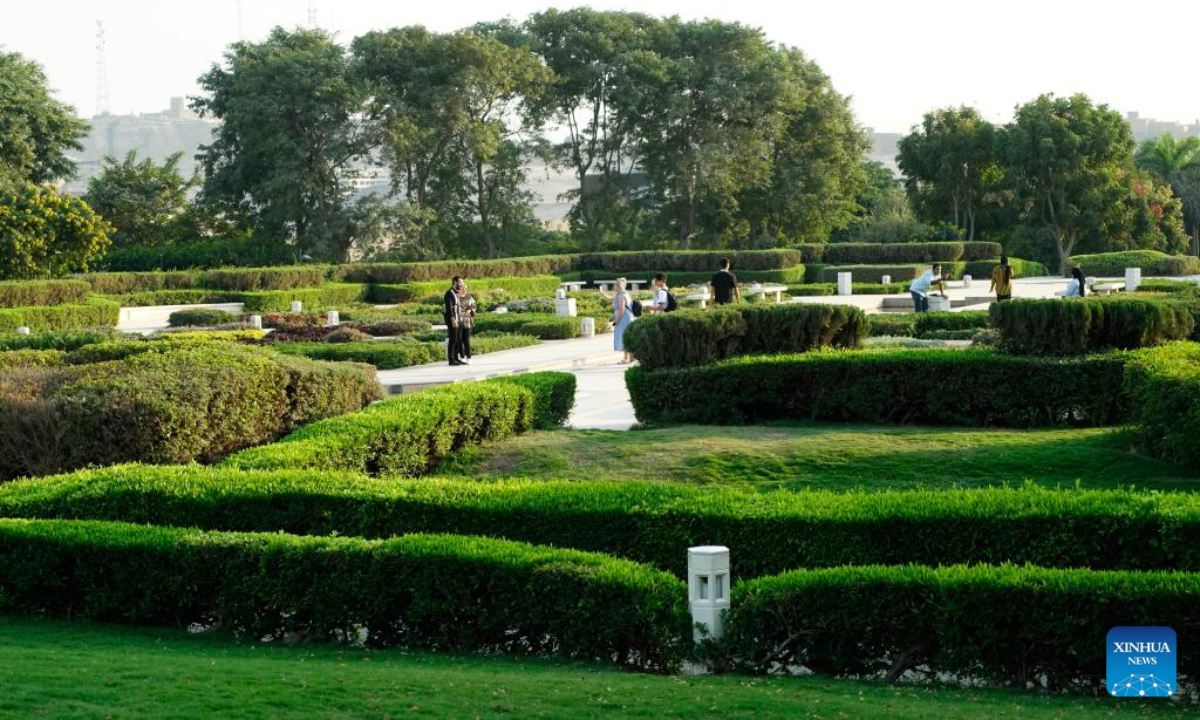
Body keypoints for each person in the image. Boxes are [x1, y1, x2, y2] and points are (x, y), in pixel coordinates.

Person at [601, 277, 636, 364]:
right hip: (627, 317)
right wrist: (603, 294)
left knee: (624, 337)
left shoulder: (621, 295)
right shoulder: (623, 293)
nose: (613, 287)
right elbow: (611, 300)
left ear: (618, 286)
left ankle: (626, 359)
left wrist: (615, 322)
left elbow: (621, 309)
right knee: (627, 337)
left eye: (614, 286)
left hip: (623, 318)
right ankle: (631, 358)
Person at [443, 276, 465, 366]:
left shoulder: (457, 293)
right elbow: (449, 309)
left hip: (459, 319)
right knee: (453, 339)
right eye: (460, 283)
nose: (462, 285)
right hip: (453, 319)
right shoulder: (449, 293)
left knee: (458, 339)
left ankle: (456, 358)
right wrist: (453, 320)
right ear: (455, 283)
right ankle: (451, 359)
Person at [457, 282, 476, 363]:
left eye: (465, 288)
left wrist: (470, 310)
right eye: (462, 287)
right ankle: (462, 356)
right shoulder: (456, 297)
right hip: (458, 320)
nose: (464, 289)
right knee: (459, 339)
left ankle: (469, 357)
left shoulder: (469, 297)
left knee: (466, 340)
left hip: (467, 321)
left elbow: (474, 306)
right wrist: (461, 313)